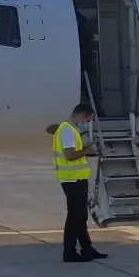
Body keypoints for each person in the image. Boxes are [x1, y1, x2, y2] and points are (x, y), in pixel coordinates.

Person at [51, 104, 107, 263]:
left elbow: (72, 152)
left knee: (80, 216)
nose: (87, 123)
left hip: (75, 179)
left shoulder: (69, 128)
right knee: (74, 217)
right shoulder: (68, 130)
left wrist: (84, 148)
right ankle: (69, 252)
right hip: (72, 180)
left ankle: (87, 249)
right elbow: (69, 155)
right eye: (88, 119)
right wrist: (87, 151)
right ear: (82, 115)